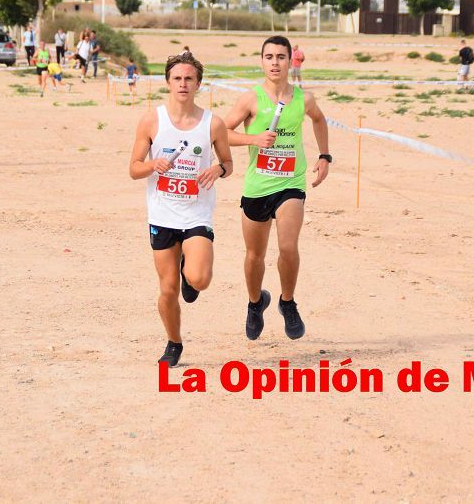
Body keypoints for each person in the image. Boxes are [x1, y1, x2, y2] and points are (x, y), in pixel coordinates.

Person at [128, 50, 233, 367]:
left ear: (198, 83)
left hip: (196, 214)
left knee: (199, 279)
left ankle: (192, 275)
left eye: (189, 78)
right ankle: (174, 342)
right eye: (177, 78)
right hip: (162, 215)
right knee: (168, 289)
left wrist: (217, 170)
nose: (183, 84)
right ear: (168, 82)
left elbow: (228, 164)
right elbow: (133, 168)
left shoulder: (212, 124)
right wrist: (152, 165)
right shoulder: (151, 120)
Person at [223, 35, 331, 342]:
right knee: (254, 255)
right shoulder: (250, 99)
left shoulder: (303, 99)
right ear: (261, 61)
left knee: (287, 247)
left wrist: (324, 156)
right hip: (258, 186)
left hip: (290, 184)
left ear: (290, 61)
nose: (275, 63)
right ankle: (256, 304)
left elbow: (320, 120)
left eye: (281, 57)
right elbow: (221, 132)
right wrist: (253, 140)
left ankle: (288, 302)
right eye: (269, 57)